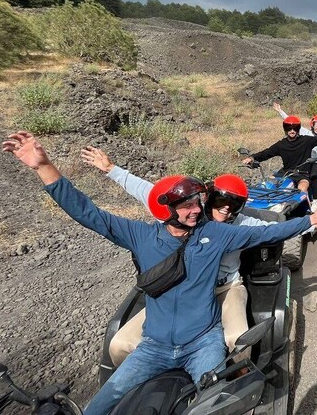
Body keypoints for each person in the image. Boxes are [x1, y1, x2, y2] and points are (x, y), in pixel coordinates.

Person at [2, 131, 317, 415]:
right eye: (189, 206)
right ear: (167, 211)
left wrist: (310, 220)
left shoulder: (216, 235)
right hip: (153, 347)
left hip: (202, 343)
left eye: (198, 203)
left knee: (222, 404)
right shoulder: (142, 236)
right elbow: (89, 213)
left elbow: (267, 234)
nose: (197, 211)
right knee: (98, 409)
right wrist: (45, 167)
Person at [80, 146, 290, 364]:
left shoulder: (242, 223)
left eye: (235, 204)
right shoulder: (186, 215)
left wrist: (312, 221)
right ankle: (135, 390)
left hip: (225, 288)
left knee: (237, 339)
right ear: (208, 197)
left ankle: (237, 382)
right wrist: (112, 169)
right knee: (119, 344)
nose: (226, 208)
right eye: (220, 200)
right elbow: (147, 191)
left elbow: (272, 228)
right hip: (181, 287)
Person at [243, 115, 317, 210]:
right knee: (267, 183)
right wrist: (252, 158)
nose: (292, 131)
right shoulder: (281, 144)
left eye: (295, 128)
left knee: (302, 189)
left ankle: (304, 212)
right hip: (286, 172)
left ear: (298, 129)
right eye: (289, 128)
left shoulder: (306, 140)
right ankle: (261, 206)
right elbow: (266, 153)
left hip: (302, 174)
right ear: (285, 129)